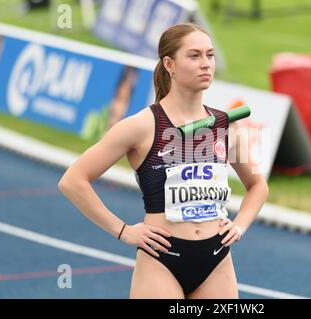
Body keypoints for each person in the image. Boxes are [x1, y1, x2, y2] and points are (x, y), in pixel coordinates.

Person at [58, 22, 269, 299]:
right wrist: (122, 231)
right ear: (169, 64)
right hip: (162, 258)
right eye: (194, 56)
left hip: (216, 257)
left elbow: (257, 185)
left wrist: (239, 225)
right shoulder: (141, 126)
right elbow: (73, 181)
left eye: (210, 55)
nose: (206, 64)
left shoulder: (225, 126)